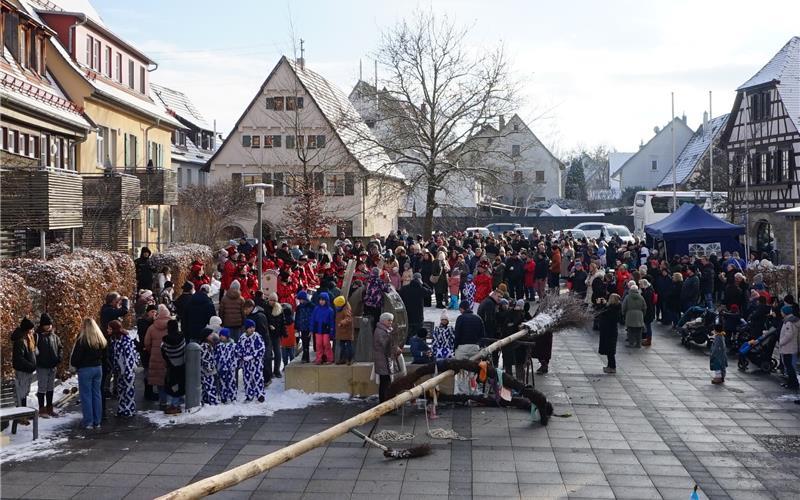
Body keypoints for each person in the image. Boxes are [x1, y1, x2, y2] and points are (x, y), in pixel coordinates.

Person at [71, 318, 106, 429]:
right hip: (98, 368)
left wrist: (76, 365)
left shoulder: (82, 340)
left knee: (86, 396)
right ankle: (97, 420)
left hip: (85, 369)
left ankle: (88, 421)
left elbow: (75, 358)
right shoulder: (100, 339)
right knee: (97, 394)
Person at [143, 304, 171, 410]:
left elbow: (147, 342)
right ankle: (171, 401)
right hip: (169, 356)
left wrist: (152, 351)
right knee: (169, 378)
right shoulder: (171, 326)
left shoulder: (152, 327)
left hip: (156, 356)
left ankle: (162, 401)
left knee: (160, 381)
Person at [109, 320, 138, 418]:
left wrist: (128, 371)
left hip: (126, 370)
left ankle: (129, 410)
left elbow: (129, 355)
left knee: (128, 390)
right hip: (120, 370)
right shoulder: (115, 339)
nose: (107, 330)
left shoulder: (125, 339)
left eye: (109, 328)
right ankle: (122, 409)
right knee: (121, 390)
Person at [35, 313, 62, 417]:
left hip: (52, 366)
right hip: (42, 366)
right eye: (47, 324)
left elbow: (60, 347)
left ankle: (50, 408)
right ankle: (42, 409)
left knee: (50, 388)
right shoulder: (38, 336)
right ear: (42, 325)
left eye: (50, 324)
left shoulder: (54, 336)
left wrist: (58, 358)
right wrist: (38, 361)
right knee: (42, 388)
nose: (49, 326)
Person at [11, 318, 37, 425]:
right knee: (21, 393)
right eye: (31, 329)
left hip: (27, 370)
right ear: (26, 330)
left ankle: (24, 414)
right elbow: (19, 358)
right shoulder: (20, 341)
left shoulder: (27, 338)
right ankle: (21, 416)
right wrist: (30, 366)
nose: (32, 331)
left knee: (24, 393)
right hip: (23, 370)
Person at [237, 319, 266, 402]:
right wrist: (242, 356)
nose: (252, 329)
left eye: (253, 327)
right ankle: (249, 395)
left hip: (256, 363)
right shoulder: (242, 338)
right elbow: (238, 349)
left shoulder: (257, 337)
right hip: (246, 364)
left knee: (258, 378)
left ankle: (260, 395)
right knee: (247, 379)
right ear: (246, 328)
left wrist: (252, 356)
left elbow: (261, 348)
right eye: (250, 327)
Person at [373, 312, 399, 403]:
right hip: (383, 360)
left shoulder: (385, 330)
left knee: (386, 382)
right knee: (385, 382)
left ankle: (385, 401)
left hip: (384, 360)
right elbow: (386, 345)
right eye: (389, 320)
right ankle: (384, 402)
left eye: (391, 320)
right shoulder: (381, 331)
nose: (391, 322)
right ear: (383, 320)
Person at [161, 319, 186, 414]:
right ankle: (178, 404)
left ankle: (172, 405)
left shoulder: (165, 340)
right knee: (180, 384)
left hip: (171, 366)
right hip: (182, 365)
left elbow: (163, 352)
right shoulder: (182, 337)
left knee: (171, 385)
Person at [399, 273, 430, 345]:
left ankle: (407, 344)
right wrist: (423, 284)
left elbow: (399, 297)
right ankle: (418, 344)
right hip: (418, 315)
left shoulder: (405, 288)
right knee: (418, 331)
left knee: (408, 331)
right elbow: (430, 291)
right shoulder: (421, 289)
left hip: (408, 314)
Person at [597, 294, 621, 373]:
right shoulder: (614, 307)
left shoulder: (612, 309)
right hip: (610, 331)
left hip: (609, 332)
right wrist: (604, 304)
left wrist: (600, 305)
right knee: (609, 350)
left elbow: (603, 314)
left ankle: (612, 367)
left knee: (610, 350)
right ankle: (610, 366)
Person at [778, 304, 800, 391]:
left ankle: (793, 383)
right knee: (789, 365)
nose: (781, 313)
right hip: (791, 346)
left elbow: (789, 335)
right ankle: (791, 382)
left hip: (788, 347)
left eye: (782, 311)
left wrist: (781, 342)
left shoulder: (789, 322)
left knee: (789, 366)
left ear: (785, 312)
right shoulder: (792, 320)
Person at [311, 292, 335, 364]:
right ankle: (319, 359)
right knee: (318, 344)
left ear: (326, 300)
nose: (321, 301)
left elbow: (332, 322)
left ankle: (329, 358)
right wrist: (311, 329)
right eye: (320, 300)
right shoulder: (316, 309)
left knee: (326, 344)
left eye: (323, 300)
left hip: (326, 329)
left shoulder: (330, 310)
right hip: (318, 329)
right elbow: (312, 319)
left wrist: (332, 331)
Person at [215, 328, 238, 403]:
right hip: (221, 367)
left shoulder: (233, 345)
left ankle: (233, 397)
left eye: (222, 335)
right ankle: (223, 397)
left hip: (230, 367)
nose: (221, 337)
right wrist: (217, 364)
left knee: (231, 382)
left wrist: (234, 364)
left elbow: (236, 356)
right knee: (222, 382)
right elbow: (216, 356)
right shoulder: (218, 346)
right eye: (220, 335)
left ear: (227, 336)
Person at [200, 329, 221, 405]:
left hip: (206, 370)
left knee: (205, 387)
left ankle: (205, 401)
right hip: (207, 371)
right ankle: (213, 402)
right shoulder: (205, 346)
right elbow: (204, 358)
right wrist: (210, 368)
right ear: (206, 337)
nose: (213, 336)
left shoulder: (207, 345)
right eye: (211, 335)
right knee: (210, 386)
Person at [334, 295, 354, 365]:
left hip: (346, 331)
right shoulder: (341, 309)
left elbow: (348, 319)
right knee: (342, 346)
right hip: (342, 331)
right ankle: (342, 359)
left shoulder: (346, 309)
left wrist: (342, 322)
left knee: (349, 346)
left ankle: (350, 359)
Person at [295, 291, 314, 363]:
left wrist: (311, 328)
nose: (300, 301)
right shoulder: (299, 308)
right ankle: (305, 357)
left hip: (308, 327)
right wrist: (296, 328)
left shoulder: (311, 306)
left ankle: (305, 357)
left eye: (301, 299)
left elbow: (312, 317)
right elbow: (297, 318)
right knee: (304, 342)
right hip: (302, 327)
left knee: (306, 342)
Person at [640, 279, 656, 347]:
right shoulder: (649, 289)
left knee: (648, 326)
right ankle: (647, 338)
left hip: (649, 311)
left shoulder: (648, 292)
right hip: (650, 310)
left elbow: (647, 302)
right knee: (647, 325)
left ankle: (648, 340)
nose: (640, 286)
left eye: (640, 284)